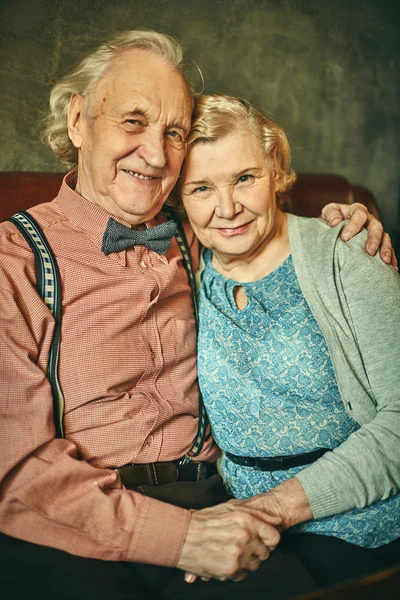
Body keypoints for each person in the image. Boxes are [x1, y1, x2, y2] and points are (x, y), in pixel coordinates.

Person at [0, 31, 394, 600]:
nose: (157, 155)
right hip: (77, 518)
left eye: (174, 133)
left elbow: (264, 224)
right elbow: (14, 469)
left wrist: (350, 226)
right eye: (133, 122)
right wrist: (179, 537)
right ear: (80, 121)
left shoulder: (203, 230)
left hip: (218, 501)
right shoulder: (13, 262)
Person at [180, 93, 400, 588]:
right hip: (244, 525)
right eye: (200, 188)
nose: (226, 208)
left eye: (244, 178)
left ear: (276, 170)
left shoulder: (349, 251)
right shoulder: (184, 265)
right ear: (178, 196)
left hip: (359, 525)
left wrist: (268, 511)